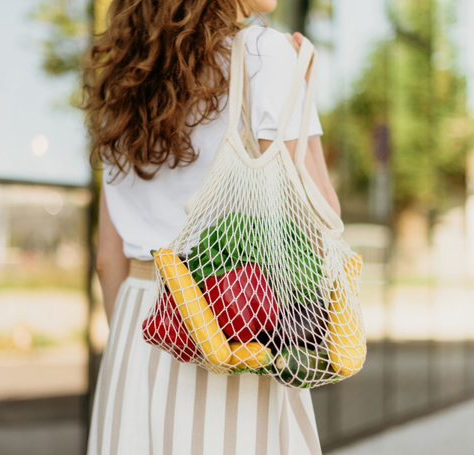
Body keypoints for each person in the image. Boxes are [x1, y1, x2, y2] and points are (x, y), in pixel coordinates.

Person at [82, 1, 340, 453]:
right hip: (231, 327)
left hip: (134, 340)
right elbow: (320, 220)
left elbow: (108, 260)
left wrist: (141, 344)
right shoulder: (265, 54)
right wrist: (303, 94)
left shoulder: (121, 81)